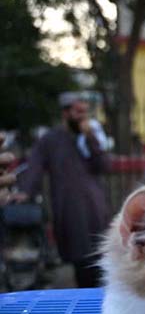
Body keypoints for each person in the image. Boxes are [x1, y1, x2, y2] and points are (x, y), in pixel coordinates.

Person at [16, 93, 111, 288]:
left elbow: (103, 166)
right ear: (66, 113)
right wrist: (26, 192)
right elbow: (35, 166)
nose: (83, 117)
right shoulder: (50, 139)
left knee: (100, 257)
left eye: (85, 112)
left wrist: (90, 137)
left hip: (94, 204)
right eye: (78, 112)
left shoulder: (90, 136)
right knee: (80, 259)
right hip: (68, 205)